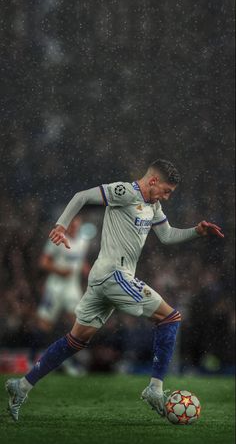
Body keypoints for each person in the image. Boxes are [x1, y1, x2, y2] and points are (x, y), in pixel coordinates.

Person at [5, 159, 224, 421]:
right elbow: (82, 196)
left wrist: (196, 232)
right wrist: (61, 226)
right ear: (153, 180)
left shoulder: (153, 206)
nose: (167, 196)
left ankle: (22, 386)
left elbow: (166, 236)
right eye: (166, 190)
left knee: (76, 341)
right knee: (170, 318)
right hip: (113, 275)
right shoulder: (125, 192)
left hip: (103, 279)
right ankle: (155, 389)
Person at [30, 216, 97, 375]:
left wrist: (86, 269)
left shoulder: (83, 241)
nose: (74, 228)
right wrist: (60, 270)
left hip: (72, 288)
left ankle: (68, 362)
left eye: (76, 225)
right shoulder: (57, 238)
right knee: (44, 325)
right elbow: (43, 262)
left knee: (78, 324)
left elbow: (80, 260)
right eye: (71, 225)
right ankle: (32, 360)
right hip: (55, 287)